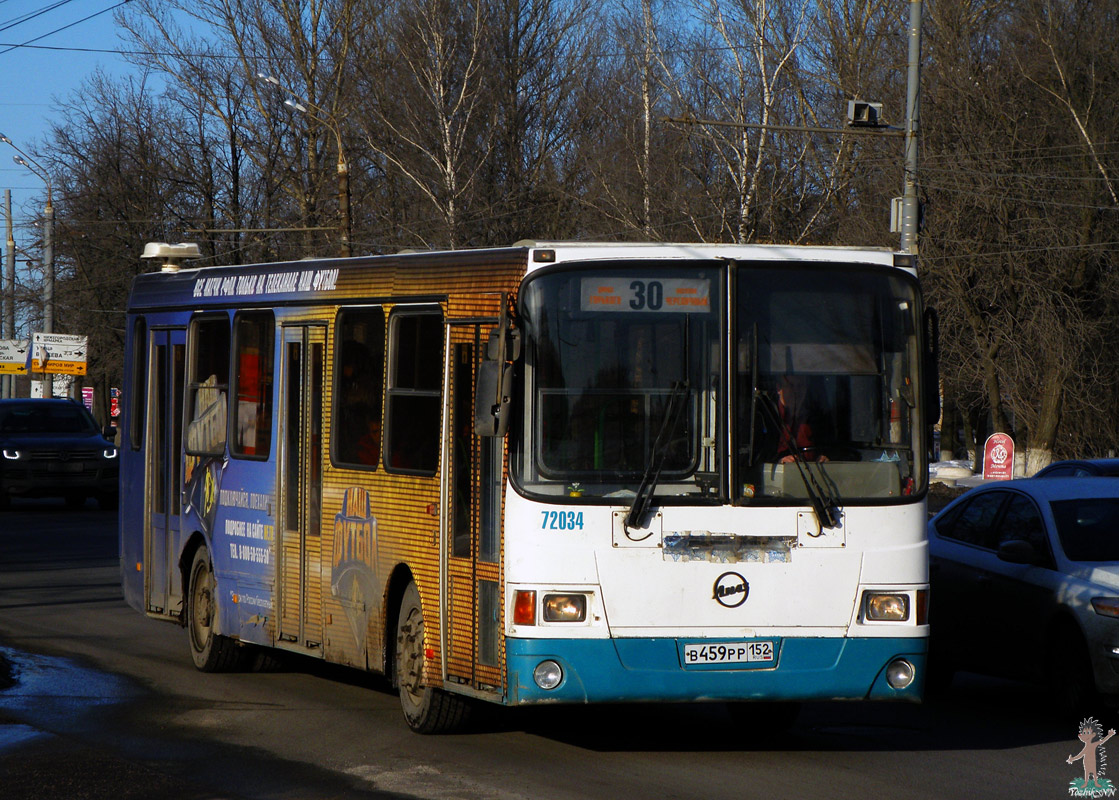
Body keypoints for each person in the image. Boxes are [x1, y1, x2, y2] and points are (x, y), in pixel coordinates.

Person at [774, 374, 827, 463]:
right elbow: (761, 455)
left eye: (801, 386)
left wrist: (824, 457)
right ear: (779, 388)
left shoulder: (815, 418)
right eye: (791, 386)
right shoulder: (768, 417)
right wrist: (779, 461)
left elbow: (830, 447)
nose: (796, 391)